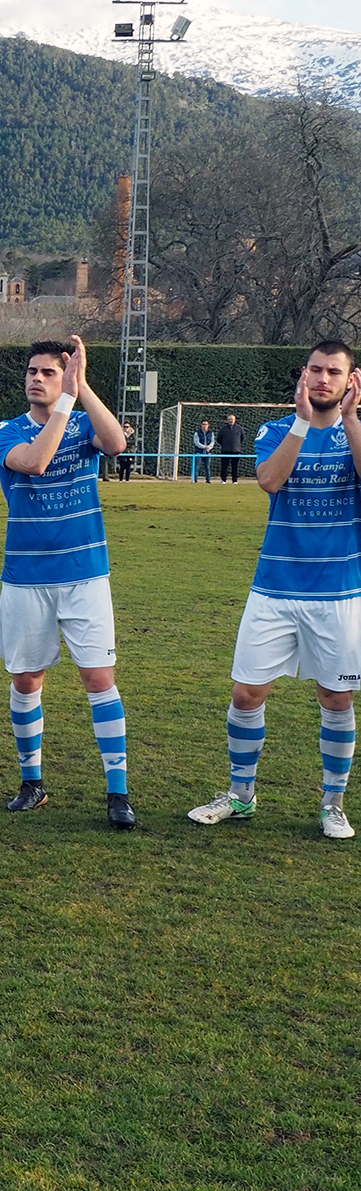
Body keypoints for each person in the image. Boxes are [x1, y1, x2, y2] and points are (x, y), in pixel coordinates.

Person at [189, 343, 361, 839]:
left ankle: (333, 803)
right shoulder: (275, 430)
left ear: (351, 380)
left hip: (340, 592)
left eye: (334, 372)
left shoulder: (357, 432)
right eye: (315, 370)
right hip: (274, 589)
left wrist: (350, 421)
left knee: (336, 698)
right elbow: (268, 480)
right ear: (303, 375)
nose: (322, 379)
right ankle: (241, 796)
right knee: (246, 694)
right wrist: (302, 424)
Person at [0, 337, 136, 830]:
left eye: (49, 372)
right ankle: (32, 782)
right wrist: (67, 399)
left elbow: (116, 444)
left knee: (99, 679)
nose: (37, 378)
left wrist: (84, 387)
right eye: (32, 371)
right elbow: (35, 462)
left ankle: (118, 792)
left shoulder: (82, 420)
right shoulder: (5, 431)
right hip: (27, 577)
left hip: (85, 575)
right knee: (27, 679)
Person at [220, 413, 244, 483]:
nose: (231, 421)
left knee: (235, 467)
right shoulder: (223, 429)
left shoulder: (239, 428)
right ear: (227, 420)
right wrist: (225, 445)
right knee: (224, 466)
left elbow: (242, 438)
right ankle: (223, 480)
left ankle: (235, 480)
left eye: (232, 419)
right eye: (229, 419)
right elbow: (219, 439)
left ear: (235, 420)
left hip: (236, 451)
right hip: (225, 450)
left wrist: (236, 445)